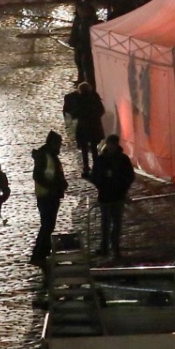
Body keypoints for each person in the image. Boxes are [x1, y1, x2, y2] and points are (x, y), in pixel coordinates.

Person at [91, 133, 134, 259]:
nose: (111, 147)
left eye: (113, 144)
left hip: (118, 196)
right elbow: (95, 176)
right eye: (109, 144)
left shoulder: (123, 159)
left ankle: (115, 247)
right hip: (105, 196)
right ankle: (105, 247)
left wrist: (123, 187)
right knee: (105, 223)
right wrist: (102, 184)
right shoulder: (101, 159)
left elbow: (129, 176)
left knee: (116, 224)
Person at [29, 130, 67, 264]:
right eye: (59, 143)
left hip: (49, 194)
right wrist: (55, 186)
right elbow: (39, 176)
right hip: (47, 195)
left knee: (48, 225)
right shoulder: (46, 156)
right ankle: (39, 254)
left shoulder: (48, 155)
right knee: (47, 225)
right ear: (53, 143)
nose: (60, 146)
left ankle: (42, 252)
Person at [63, 81, 105, 176]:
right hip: (94, 126)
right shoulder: (94, 98)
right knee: (94, 148)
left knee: (84, 149)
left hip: (83, 127)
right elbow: (101, 110)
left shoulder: (76, 99)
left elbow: (73, 113)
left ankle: (86, 167)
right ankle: (96, 167)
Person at [69, 0, 97, 85]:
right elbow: (75, 32)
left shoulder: (88, 22)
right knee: (79, 62)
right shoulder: (79, 20)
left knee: (87, 64)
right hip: (80, 45)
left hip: (86, 46)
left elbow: (83, 34)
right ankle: (82, 79)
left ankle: (88, 80)